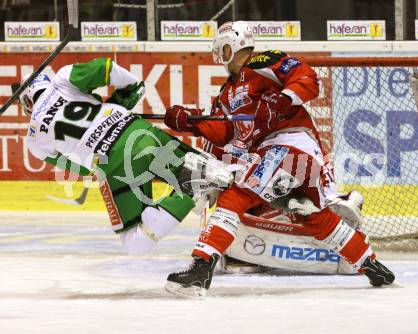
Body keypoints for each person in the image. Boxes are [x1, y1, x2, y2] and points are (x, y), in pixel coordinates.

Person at [163, 21, 395, 298]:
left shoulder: (263, 61)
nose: (220, 57)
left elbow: (308, 78)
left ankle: (200, 269)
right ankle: (372, 266)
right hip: (283, 159)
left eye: (222, 49)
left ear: (232, 45)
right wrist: (192, 122)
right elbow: (225, 131)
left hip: (291, 145)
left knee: (236, 196)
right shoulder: (226, 93)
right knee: (313, 216)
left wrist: (282, 100)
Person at [20, 58, 226, 256]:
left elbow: (82, 169)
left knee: (135, 242)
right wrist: (129, 91)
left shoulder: (34, 141)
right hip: (140, 133)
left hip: (116, 166)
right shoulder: (62, 78)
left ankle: (190, 190)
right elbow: (106, 67)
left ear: (27, 101)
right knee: (216, 176)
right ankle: (205, 177)